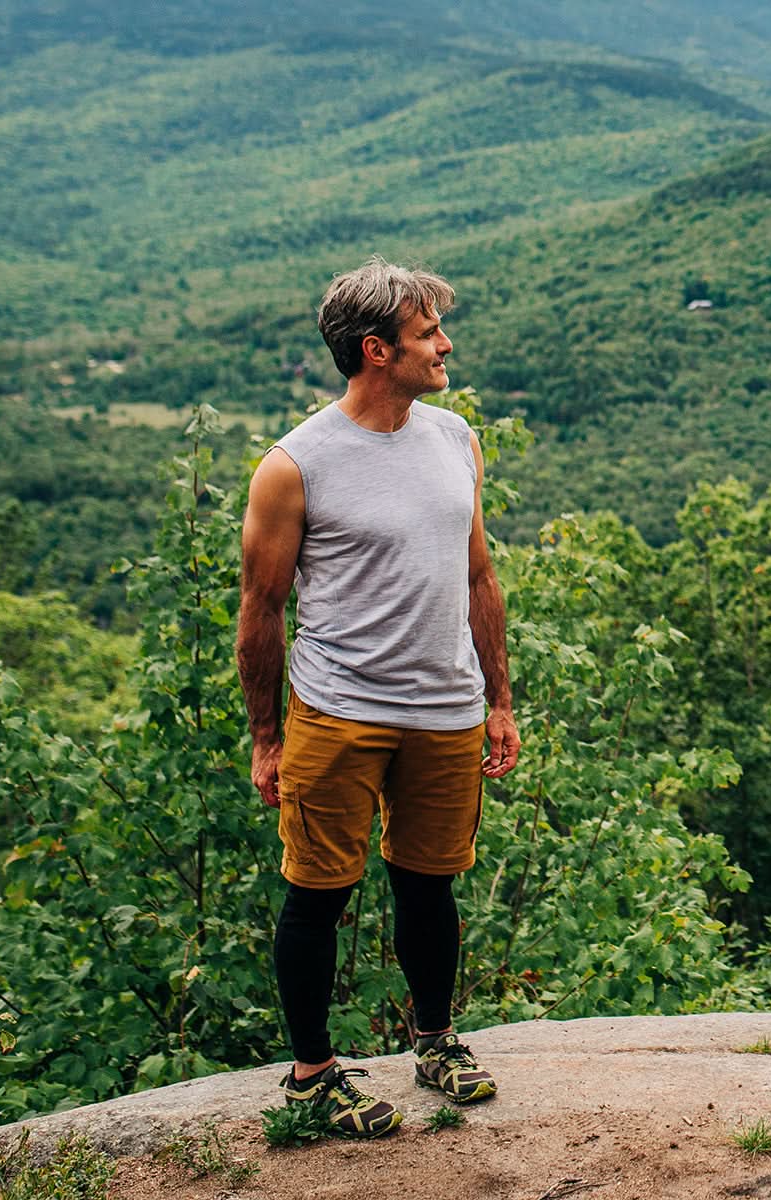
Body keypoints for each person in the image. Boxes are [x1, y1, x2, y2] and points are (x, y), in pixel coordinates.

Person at [235, 256, 520, 1138]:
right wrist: (266, 737)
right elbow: (261, 609)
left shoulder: (456, 439)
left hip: (446, 709)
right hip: (338, 711)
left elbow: (478, 574)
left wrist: (500, 701)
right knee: (317, 895)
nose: (445, 345)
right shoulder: (296, 465)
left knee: (430, 887)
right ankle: (313, 1076)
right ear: (376, 350)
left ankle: (434, 1042)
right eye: (428, 332)